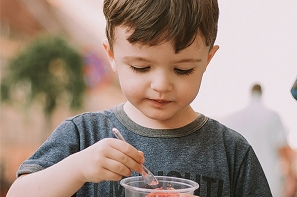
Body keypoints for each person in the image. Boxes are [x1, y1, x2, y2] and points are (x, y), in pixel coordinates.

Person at [7, 1, 272, 196]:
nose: (161, 85)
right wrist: (78, 168)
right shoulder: (84, 135)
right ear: (111, 55)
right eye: (141, 67)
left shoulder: (231, 152)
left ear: (207, 60)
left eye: (182, 69)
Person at [221, 84, 288, 196]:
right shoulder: (272, 116)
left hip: (239, 180)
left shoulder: (233, 118)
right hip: (269, 178)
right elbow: (283, 150)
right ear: (261, 93)